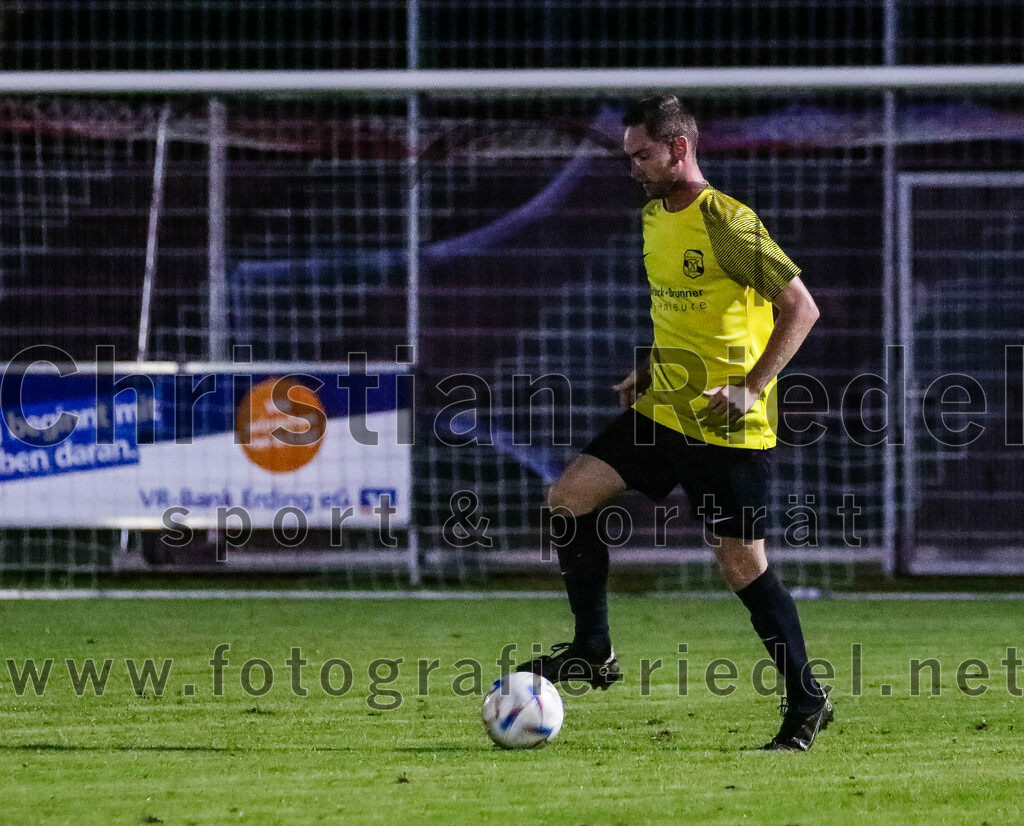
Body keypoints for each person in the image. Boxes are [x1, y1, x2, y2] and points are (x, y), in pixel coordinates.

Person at [515, 94, 833, 751]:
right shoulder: (656, 217)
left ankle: (807, 701)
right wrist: (650, 370)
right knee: (568, 498)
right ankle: (591, 649)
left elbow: (802, 309)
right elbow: (683, 314)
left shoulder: (729, 223)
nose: (631, 165)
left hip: (727, 427)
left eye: (642, 154)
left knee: (742, 566)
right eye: (627, 154)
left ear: (678, 149)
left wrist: (750, 387)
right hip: (664, 411)